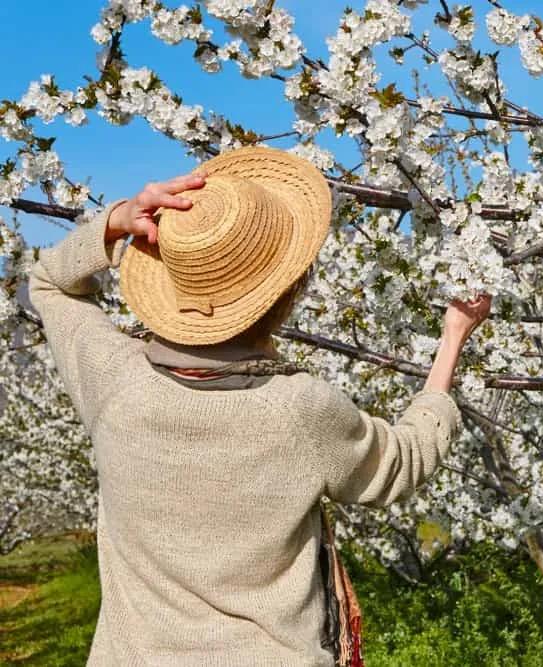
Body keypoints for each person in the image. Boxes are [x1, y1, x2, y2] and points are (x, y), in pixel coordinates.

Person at [27, 145, 492, 666]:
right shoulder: (298, 409)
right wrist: (453, 338)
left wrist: (117, 221)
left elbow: (49, 284)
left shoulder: (112, 378)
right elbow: (402, 462)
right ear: (287, 291)